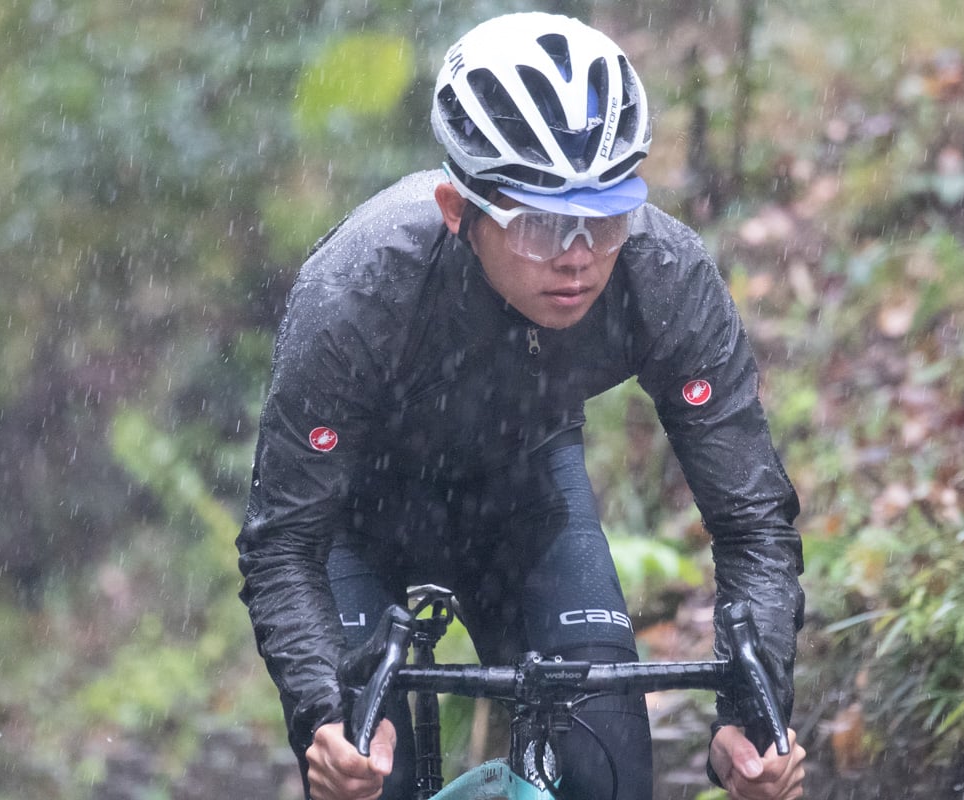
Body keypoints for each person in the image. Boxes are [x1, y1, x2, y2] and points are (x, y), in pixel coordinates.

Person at [237, 12, 806, 800]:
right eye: (539, 224)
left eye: (605, 218)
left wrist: (756, 713)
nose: (577, 258)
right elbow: (282, 543)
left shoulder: (662, 273)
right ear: (455, 208)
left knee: (608, 767)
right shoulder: (358, 291)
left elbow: (751, 520)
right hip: (354, 523)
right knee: (371, 776)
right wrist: (321, 716)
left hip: (524, 495)